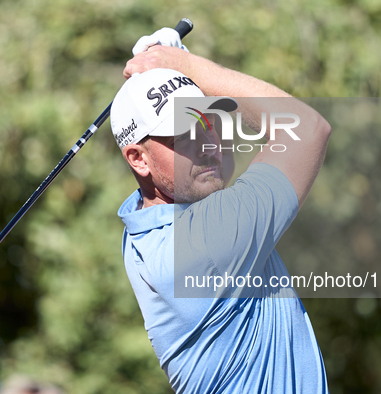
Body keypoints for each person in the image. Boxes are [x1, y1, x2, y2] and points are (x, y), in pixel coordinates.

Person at [111, 28, 331, 393]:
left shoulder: (141, 230)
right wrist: (187, 65)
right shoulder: (200, 245)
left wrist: (179, 74)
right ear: (138, 158)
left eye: (208, 121)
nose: (208, 143)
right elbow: (306, 128)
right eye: (182, 131)